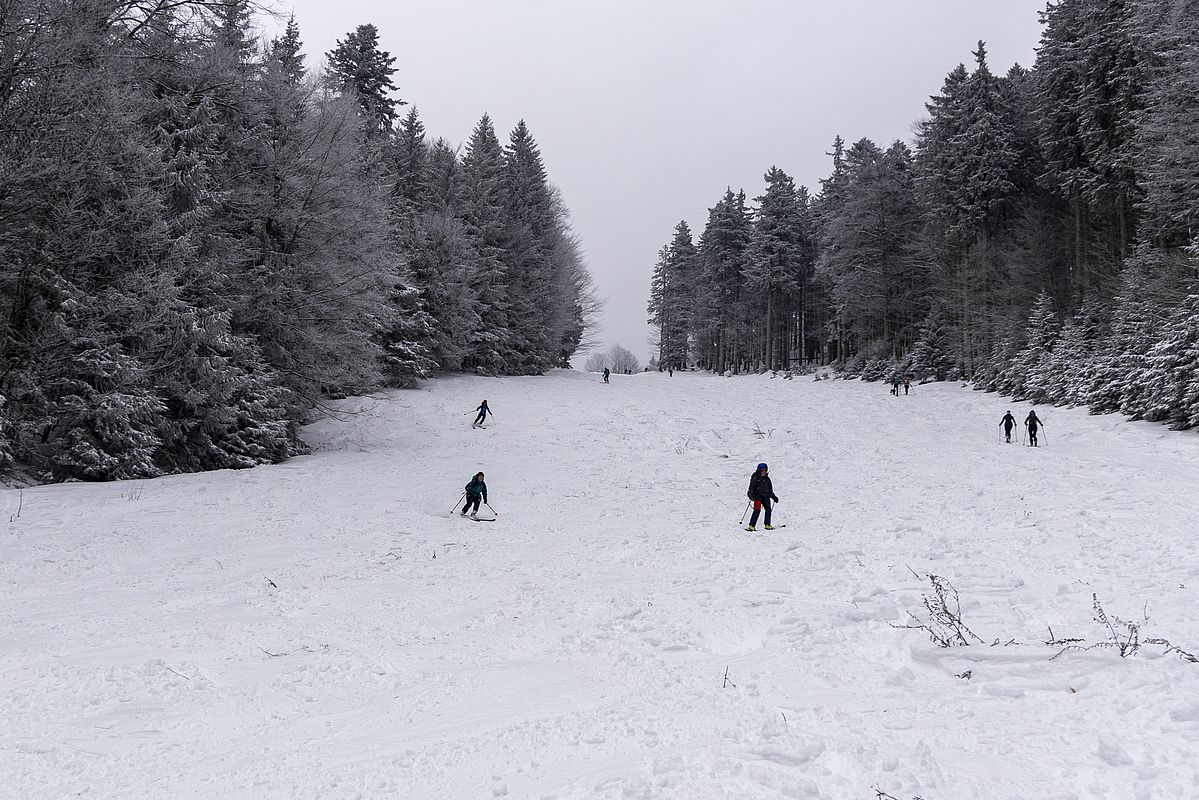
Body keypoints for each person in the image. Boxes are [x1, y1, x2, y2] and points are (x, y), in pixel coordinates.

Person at [745, 462, 779, 532]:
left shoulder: (767, 479)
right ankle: (751, 526)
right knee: (757, 510)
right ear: (759, 470)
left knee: (768, 510)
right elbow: (751, 488)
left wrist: (774, 497)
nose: (764, 472)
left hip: (766, 497)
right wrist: (751, 496)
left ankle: (767, 524)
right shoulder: (755, 478)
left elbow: (770, 490)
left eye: (765, 470)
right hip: (757, 497)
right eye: (762, 470)